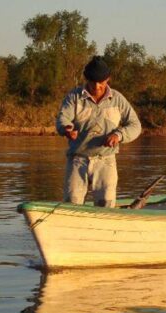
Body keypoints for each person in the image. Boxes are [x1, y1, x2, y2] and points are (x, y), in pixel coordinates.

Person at [56, 56, 142, 207]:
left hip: (106, 160)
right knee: (71, 203)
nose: (96, 87)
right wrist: (67, 129)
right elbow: (63, 119)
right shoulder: (74, 97)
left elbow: (135, 125)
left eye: (101, 82)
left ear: (108, 79)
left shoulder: (118, 99)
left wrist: (119, 135)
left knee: (105, 205)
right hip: (78, 158)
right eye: (92, 82)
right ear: (86, 79)